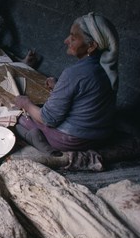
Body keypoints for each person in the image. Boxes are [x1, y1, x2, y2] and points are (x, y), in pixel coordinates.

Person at [14, 13, 119, 155]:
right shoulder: (109, 69)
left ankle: (42, 144)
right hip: (102, 136)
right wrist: (59, 86)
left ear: (91, 46)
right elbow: (86, 95)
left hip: (73, 139)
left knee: (20, 118)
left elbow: (48, 118)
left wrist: (26, 103)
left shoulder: (73, 74)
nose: (66, 40)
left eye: (73, 38)